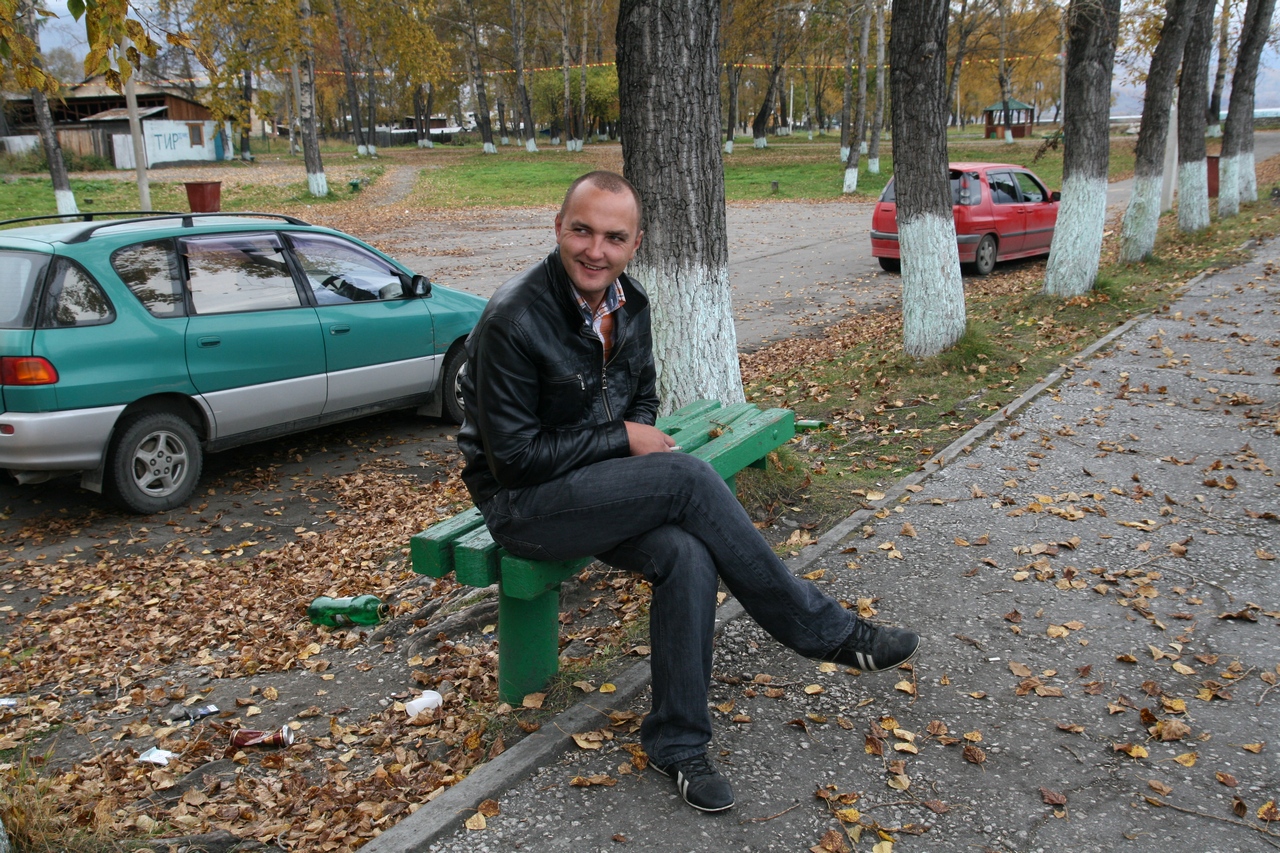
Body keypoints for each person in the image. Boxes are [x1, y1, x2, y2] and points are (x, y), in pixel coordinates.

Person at [457, 170, 919, 813]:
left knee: (687, 553)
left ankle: (677, 743)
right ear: (557, 227)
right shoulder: (514, 318)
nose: (596, 250)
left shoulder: (629, 303)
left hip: (597, 489)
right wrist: (621, 439)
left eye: (614, 238)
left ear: (635, 243)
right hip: (524, 507)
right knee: (688, 477)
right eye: (582, 231)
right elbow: (512, 461)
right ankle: (821, 631)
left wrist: (624, 445)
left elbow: (641, 396)